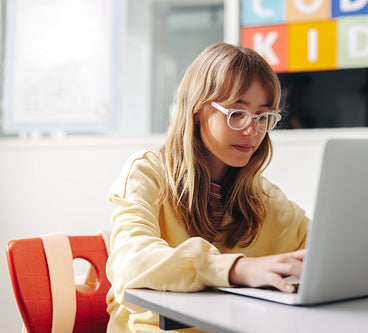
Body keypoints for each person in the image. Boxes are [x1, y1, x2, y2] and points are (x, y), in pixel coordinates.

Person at [105, 43, 309, 332]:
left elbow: (324, 252)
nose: (252, 131)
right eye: (237, 113)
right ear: (198, 109)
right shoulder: (147, 172)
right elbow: (130, 263)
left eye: (263, 117)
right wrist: (235, 269)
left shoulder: (265, 197)